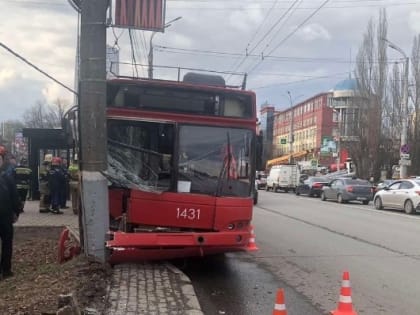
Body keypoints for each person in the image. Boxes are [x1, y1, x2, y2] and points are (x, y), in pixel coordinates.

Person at [0, 145, 21, 279]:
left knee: (7, 242)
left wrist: (16, 212)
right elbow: (14, 197)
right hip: (5, 216)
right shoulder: (6, 178)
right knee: (7, 242)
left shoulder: (6, 178)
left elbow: (14, 196)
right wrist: (16, 211)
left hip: (5, 216)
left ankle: (6, 269)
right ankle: (6, 270)